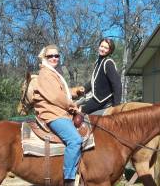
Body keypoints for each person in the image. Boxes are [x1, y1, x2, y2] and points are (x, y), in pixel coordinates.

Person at [33, 44, 82, 186]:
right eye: (50, 56)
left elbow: (62, 92)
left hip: (58, 111)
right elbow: (56, 97)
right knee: (75, 140)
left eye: (57, 56)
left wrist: (76, 91)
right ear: (45, 58)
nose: (54, 58)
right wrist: (74, 107)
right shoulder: (45, 74)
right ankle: (68, 179)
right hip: (52, 114)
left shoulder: (53, 72)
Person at [81, 38, 122, 114]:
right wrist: (83, 89)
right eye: (101, 46)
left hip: (104, 100)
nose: (102, 49)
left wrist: (117, 106)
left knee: (80, 111)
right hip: (97, 99)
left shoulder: (108, 63)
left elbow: (117, 84)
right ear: (99, 46)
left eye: (106, 48)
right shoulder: (98, 62)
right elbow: (95, 80)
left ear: (110, 51)